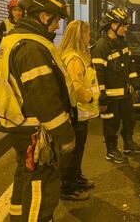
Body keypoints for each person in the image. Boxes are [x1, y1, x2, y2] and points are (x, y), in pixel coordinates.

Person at [0, 0, 76, 221]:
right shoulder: (32, 48)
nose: (57, 25)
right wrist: (64, 135)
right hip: (34, 128)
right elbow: (44, 98)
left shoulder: (15, 39)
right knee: (41, 183)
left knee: (25, 174)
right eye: (56, 19)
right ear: (42, 16)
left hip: (18, 124)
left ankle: (17, 217)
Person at [91, 8, 140, 164]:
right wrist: (101, 96)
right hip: (110, 97)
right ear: (112, 25)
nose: (125, 29)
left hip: (125, 94)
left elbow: (130, 65)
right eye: (123, 25)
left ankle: (128, 144)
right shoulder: (101, 47)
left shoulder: (122, 43)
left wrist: (134, 84)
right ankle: (111, 150)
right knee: (111, 124)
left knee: (130, 119)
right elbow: (98, 74)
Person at [59, 20, 99, 200]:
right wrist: (90, 97)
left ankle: (76, 177)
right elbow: (77, 87)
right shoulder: (74, 59)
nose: (89, 37)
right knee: (74, 151)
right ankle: (68, 187)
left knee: (79, 148)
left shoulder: (77, 55)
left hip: (80, 112)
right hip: (77, 111)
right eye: (87, 34)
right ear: (80, 36)